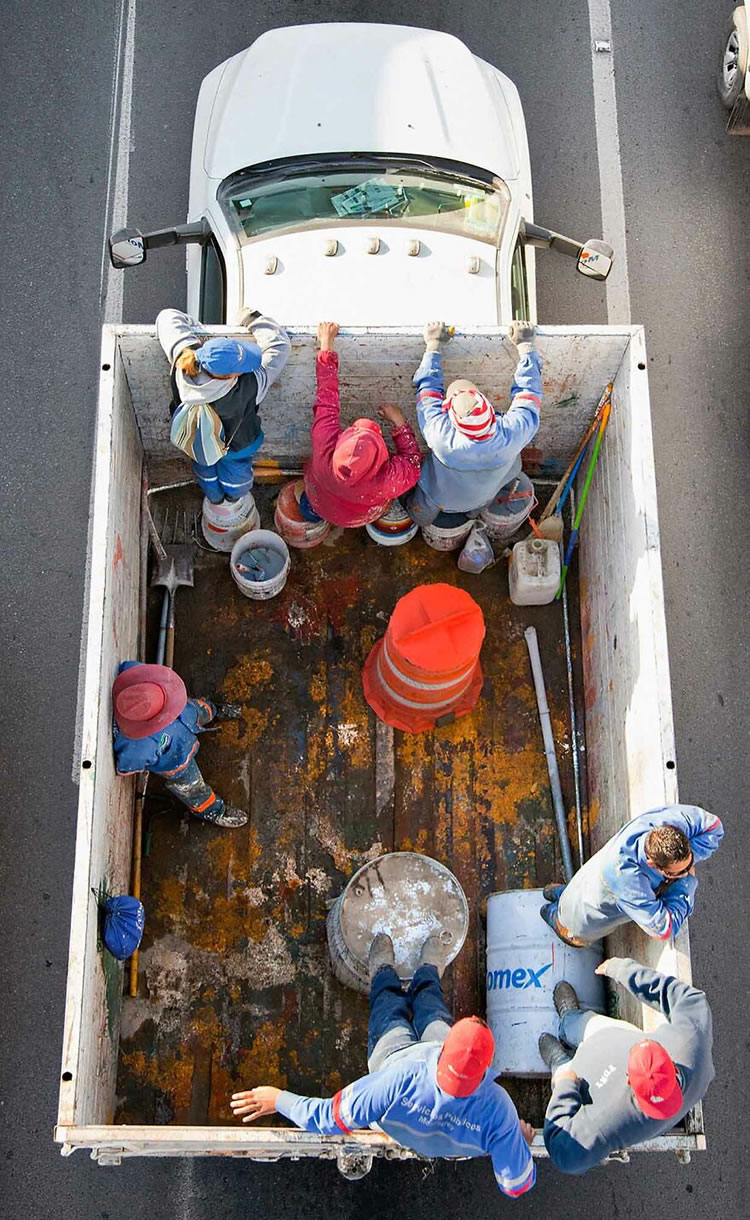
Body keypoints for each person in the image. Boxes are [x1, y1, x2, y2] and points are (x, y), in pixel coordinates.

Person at [230, 933, 536, 1198]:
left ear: (445, 1052)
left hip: (397, 1057)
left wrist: (277, 1100)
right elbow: (515, 1186)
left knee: (391, 1007)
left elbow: (328, 1118)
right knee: (431, 1007)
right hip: (438, 1123)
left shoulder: (398, 1080)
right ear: (484, 1071)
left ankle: (385, 969)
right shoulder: (498, 1110)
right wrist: (512, 1143)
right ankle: (428, 969)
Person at [539, 958, 714, 1174]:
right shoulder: (691, 1042)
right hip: (604, 1037)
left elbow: (563, 1154)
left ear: (629, 1080)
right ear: (669, 1062)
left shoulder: (611, 1122)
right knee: (583, 1024)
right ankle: (568, 1020)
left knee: (564, 1073)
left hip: (581, 1079)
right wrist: (624, 970)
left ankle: (560, 1062)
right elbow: (689, 998)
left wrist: (566, 1086)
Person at [403, 320, 542, 525]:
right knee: (474, 510)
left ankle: (419, 522)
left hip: (439, 497)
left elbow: (427, 392)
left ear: (453, 420)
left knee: (421, 515)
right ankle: (470, 519)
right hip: (482, 497)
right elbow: (529, 395)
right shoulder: (512, 434)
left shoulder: (442, 438)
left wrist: (433, 345)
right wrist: (526, 346)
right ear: (490, 411)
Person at [156, 306, 291, 505]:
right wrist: (251, 318)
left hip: (195, 441)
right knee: (237, 476)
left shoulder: (183, 360)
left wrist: (199, 330)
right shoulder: (251, 385)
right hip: (236, 447)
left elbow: (167, 317)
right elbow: (280, 346)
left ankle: (214, 498)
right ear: (229, 376)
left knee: (204, 467)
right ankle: (233, 499)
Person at [540, 804, 724, 947]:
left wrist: (683, 866)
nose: (687, 872)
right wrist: (686, 883)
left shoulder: (663, 825)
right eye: (676, 872)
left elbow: (713, 827)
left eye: (689, 864)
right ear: (652, 863)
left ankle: (557, 893)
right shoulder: (628, 880)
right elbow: (664, 929)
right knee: (570, 931)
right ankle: (551, 914)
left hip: (585, 884)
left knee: (573, 893)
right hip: (580, 919)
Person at [302, 321, 422, 527]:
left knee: (316, 500)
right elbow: (413, 463)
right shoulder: (385, 482)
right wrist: (399, 422)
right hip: (360, 517)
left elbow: (326, 401)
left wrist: (326, 346)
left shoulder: (324, 453)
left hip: (321, 502)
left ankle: (316, 513)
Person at [112, 661, 247, 828]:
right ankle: (212, 810)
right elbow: (126, 765)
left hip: (184, 713)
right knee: (191, 786)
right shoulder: (138, 745)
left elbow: (129, 667)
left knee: (199, 709)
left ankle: (215, 710)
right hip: (176, 759)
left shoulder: (133, 689)